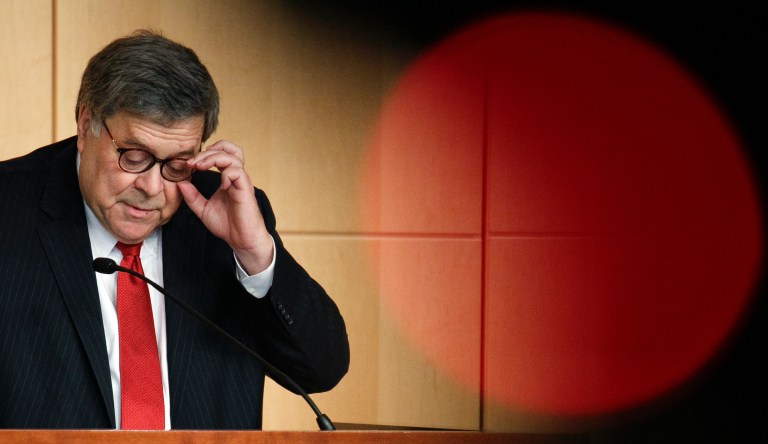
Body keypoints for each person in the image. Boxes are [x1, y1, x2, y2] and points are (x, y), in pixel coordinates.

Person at [0, 30, 349, 430]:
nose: (152, 187)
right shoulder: (9, 211)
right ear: (85, 126)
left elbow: (322, 371)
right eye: (134, 156)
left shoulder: (226, 217)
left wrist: (254, 254)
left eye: (178, 163)